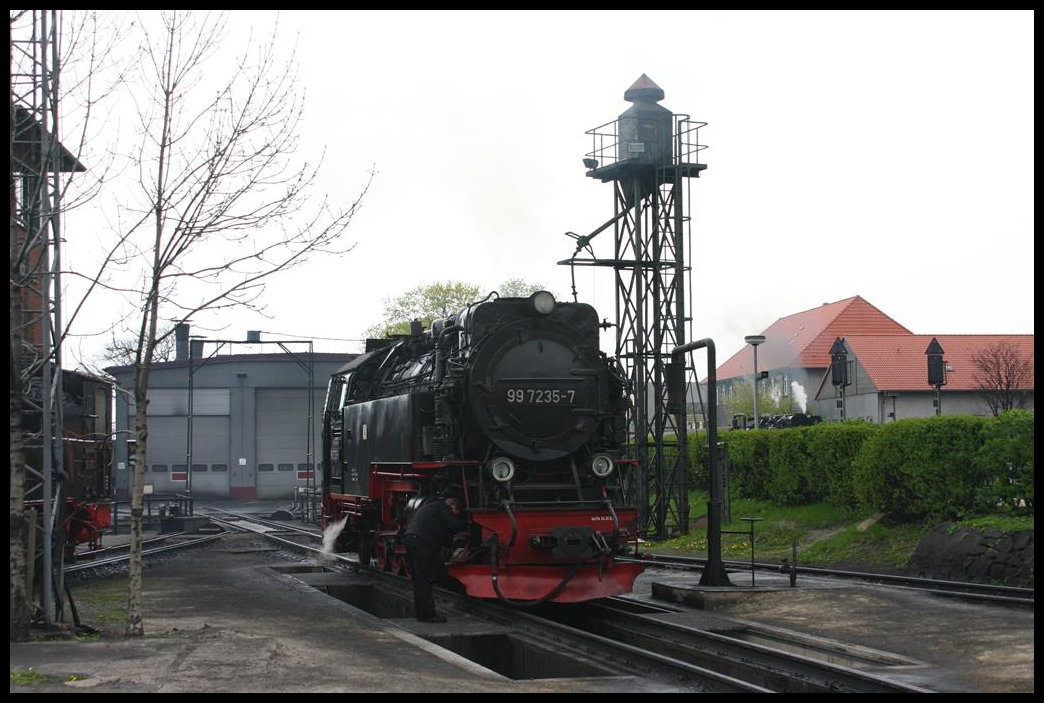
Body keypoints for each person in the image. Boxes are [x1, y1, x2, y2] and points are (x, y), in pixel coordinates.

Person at [403, 496, 467, 623]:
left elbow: (441, 537)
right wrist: (467, 524)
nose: (455, 515)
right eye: (457, 512)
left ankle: (422, 614)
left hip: (413, 539)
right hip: (420, 542)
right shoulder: (444, 508)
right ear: (453, 507)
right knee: (423, 580)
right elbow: (454, 525)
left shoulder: (434, 508)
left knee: (420, 580)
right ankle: (427, 615)